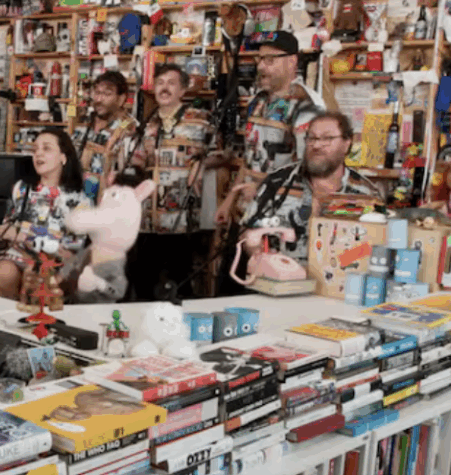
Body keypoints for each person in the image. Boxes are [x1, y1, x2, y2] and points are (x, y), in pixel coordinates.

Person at [240, 112, 381, 264]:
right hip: (279, 276)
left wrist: (335, 265)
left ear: (346, 144)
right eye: (311, 138)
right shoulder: (277, 182)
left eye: (327, 138)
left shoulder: (366, 194)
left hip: (338, 276)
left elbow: (376, 244)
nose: (316, 145)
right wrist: (264, 258)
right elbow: (247, 233)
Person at [128, 64, 219, 299]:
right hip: (148, 220)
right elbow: (137, 161)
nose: (164, 88)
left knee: (181, 284)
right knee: (143, 282)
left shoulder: (201, 120)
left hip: (182, 220)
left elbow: (223, 154)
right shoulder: (148, 124)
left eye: (171, 83)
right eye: (159, 83)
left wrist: (202, 164)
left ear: (183, 90)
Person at [216, 30, 325, 224]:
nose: (260, 66)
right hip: (248, 213)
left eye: (269, 60)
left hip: (282, 217)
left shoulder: (306, 106)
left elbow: (311, 171)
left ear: (292, 61)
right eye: (259, 59)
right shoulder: (258, 101)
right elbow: (249, 157)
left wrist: (263, 187)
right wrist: (229, 200)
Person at [0, 128, 90, 301]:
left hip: (53, 264)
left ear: (63, 158)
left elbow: (69, 253)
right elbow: (7, 228)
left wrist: (24, 236)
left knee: (37, 279)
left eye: (46, 148)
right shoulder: (22, 189)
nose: (38, 154)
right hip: (14, 256)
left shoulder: (80, 201)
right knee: (4, 273)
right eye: (35, 149)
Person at [79, 70, 139, 203]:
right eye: (97, 93)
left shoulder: (130, 129)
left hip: (110, 205)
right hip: (78, 204)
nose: (99, 99)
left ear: (121, 99)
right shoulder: (84, 124)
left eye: (107, 94)